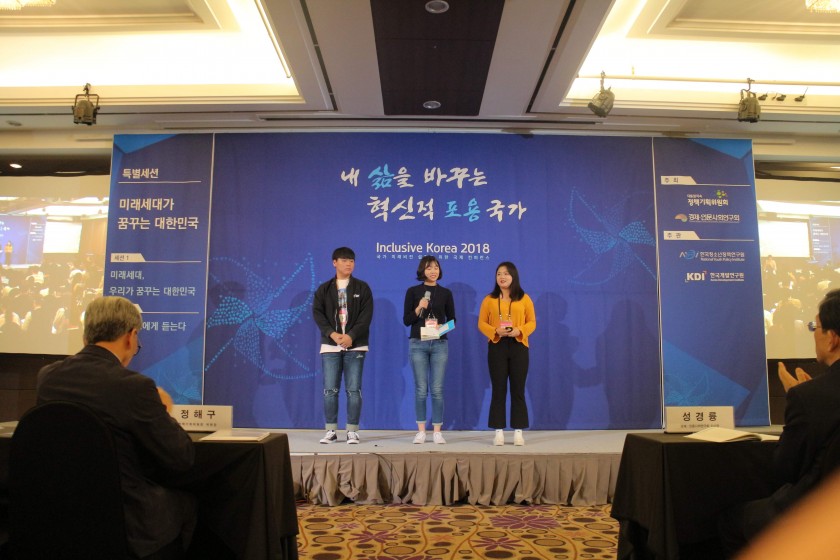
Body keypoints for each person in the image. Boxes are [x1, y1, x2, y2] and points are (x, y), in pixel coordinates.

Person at [36, 296, 196, 559]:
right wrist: (165, 411)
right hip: (127, 522)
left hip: (60, 516)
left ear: (86, 335)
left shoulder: (48, 378)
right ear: (131, 337)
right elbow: (181, 458)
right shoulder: (134, 387)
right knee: (189, 504)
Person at [719, 288, 840, 556]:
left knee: (730, 521)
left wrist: (801, 401)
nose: (813, 334)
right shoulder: (811, 396)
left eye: (815, 327)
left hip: (812, 514)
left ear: (832, 338)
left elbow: (786, 470)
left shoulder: (809, 397)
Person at [312, 247, 373, 445]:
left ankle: (352, 431)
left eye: (352, 261)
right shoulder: (324, 289)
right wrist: (332, 334)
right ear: (334, 262)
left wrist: (351, 336)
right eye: (345, 260)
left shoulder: (362, 288)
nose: (349, 264)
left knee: (354, 390)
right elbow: (318, 314)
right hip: (330, 346)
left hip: (356, 346)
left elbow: (366, 317)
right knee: (330, 390)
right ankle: (330, 430)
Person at [477, 261, 536, 446]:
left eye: (506, 274)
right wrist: (495, 330)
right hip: (497, 346)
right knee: (498, 389)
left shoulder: (524, 298)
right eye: (499, 274)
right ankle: (498, 432)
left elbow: (532, 322)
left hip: (519, 345)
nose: (502, 277)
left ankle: (518, 431)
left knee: (518, 389)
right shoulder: (489, 299)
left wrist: (520, 330)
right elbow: (481, 323)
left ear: (513, 276)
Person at [403, 255, 456, 444]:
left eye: (436, 267)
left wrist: (440, 329)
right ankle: (421, 431)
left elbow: (453, 321)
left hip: (439, 344)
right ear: (422, 271)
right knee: (420, 389)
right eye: (429, 268)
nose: (433, 271)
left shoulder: (446, 293)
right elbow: (407, 320)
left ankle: (437, 431)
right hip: (418, 343)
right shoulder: (413, 292)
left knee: (437, 389)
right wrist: (419, 308)